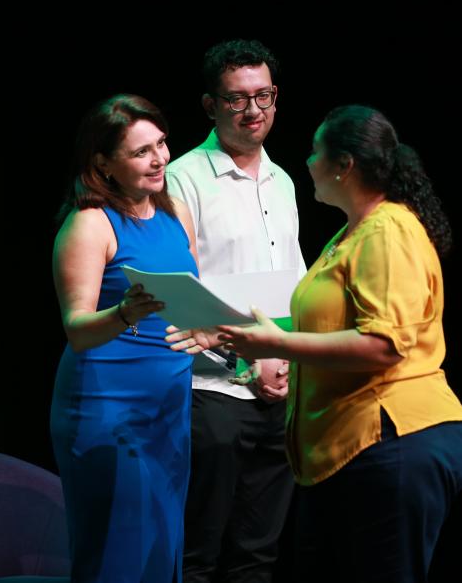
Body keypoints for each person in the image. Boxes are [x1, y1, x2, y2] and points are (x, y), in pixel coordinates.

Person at [190, 105, 462, 582]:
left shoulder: (388, 230)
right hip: (346, 451)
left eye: (316, 152)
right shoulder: (351, 232)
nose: (308, 161)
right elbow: (330, 326)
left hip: (391, 441)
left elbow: (385, 345)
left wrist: (282, 345)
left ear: (345, 165)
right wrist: (264, 344)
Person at [164, 39, 303, 582]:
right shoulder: (183, 178)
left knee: (258, 556)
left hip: (279, 388)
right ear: (210, 105)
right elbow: (185, 289)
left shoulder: (283, 180)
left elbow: (294, 282)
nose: (253, 111)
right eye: (237, 99)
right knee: (199, 553)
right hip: (213, 389)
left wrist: (284, 356)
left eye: (263, 96)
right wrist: (250, 357)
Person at [50, 93, 198, 583]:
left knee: (160, 551)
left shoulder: (176, 215)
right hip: (108, 410)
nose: (159, 159)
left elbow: (191, 308)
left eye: (161, 144)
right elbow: (77, 329)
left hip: (168, 411)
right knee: (117, 553)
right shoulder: (90, 223)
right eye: (141, 152)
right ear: (103, 164)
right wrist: (122, 313)